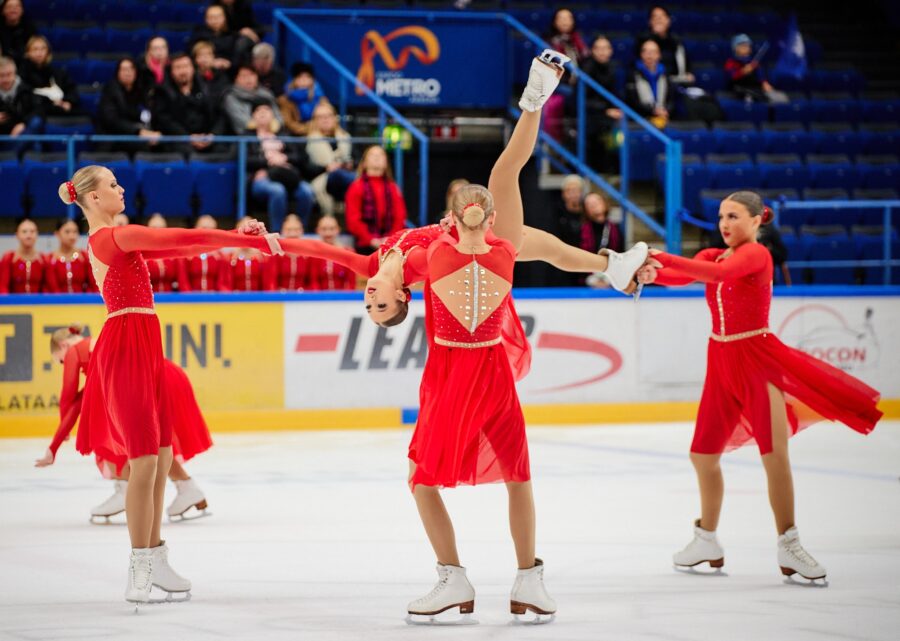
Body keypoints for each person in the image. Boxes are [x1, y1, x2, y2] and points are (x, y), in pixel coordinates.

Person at [55, 164, 278, 605]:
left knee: (160, 454)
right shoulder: (109, 238)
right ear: (93, 198)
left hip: (145, 345)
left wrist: (236, 239)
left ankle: (155, 556)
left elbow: (184, 249)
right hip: (125, 350)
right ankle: (139, 565)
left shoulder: (117, 239)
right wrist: (239, 239)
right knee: (142, 460)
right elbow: (177, 238)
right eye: (113, 185)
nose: (121, 189)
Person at [637, 190, 882, 583]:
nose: (725, 224)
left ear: (756, 221)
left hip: (756, 360)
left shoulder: (756, 255)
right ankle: (706, 539)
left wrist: (658, 256)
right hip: (720, 362)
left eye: (734, 216)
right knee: (702, 455)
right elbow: (684, 275)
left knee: (774, 454)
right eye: (721, 217)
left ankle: (789, 543)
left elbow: (716, 277)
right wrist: (648, 272)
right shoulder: (712, 255)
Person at [35, 325, 212, 523]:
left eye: (61, 360)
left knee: (101, 430)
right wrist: (56, 444)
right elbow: (81, 400)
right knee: (152, 444)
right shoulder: (98, 346)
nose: (64, 363)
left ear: (63, 344)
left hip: (147, 381)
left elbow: (69, 399)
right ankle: (187, 488)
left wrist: (56, 442)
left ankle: (125, 488)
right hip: (166, 374)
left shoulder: (75, 352)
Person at [246, 103, 314, 232]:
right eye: (258, 110)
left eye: (266, 110)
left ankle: (300, 230)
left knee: (307, 191)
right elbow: (245, 160)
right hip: (262, 177)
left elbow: (298, 157)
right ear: (253, 116)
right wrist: (268, 160)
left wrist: (284, 158)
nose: (262, 113)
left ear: (273, 115)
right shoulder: (247, 136)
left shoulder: (282, 134)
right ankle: (277, 232)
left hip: (286, 175)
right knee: (278, 190)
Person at [152, 51, 223, 155]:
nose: (183, 71)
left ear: (193, 69)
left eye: (186, 66)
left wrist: (213, 135)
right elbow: (164, 120)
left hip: (207, 139)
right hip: (177, 141)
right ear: (171, 71)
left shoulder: (207, 88)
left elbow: (220, 115)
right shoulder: (162, 92)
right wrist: (187, 137)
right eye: (178, 67)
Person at [344, 145, 408, 254]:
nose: (377, 157)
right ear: (364, 163)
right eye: (373, 155)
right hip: (364, 245)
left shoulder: (393, 188)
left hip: (391, 245)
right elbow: (353, 219)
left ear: (386, 163)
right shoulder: (356, 187)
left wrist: (390, 238)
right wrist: (371, 240)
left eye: (381, 155)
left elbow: (400, 217)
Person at [542, 8, 588, 141]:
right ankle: (568, 129)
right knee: (571, 94)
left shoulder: (577, 40)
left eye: (568, 18)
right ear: (554, 22)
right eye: (561, 18)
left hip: (577, 83)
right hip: (557, 83)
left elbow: (585, 60)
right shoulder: (548, 41)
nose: (564, 21)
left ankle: (576, 130)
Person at [96, 58, 160, 152]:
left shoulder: (140, 90)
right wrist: (138, 131)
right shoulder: (110, 90)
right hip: (115, 138)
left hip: (138, 134)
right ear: (118, 72)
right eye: (124, 69)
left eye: (131, 69)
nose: (128, 73)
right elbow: (111, 120)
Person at [305, 101, 355, 217]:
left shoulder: (345, 137)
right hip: (322, 178)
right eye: (320, 117)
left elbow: (357, 159)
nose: (325, 119)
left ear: (334, 118)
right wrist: (326, 167)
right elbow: (305, 167)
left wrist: (350, 164)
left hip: (343, 178)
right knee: (343, 176)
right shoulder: (308, 140)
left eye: (328, 116)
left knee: (344, 178)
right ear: (315, 120)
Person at [581, 35, 623, 170]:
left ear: (611, 50)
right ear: (592, 50)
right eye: (598, 48)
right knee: (607, 131)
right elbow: (582, 100)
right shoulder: (586, 69)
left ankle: (615, 169)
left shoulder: (614, 68)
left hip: (611, 113)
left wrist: (616, 109)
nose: (602, 52)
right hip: (592, 115)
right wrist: (605, 110)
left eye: (605, 48)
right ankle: (603, 170)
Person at [20, 35, 80, 117]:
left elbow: (72, 91)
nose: (39, 53)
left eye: (43, 49)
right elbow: (26, 97)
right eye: (35, 49)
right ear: (28, 53)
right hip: (37, 113)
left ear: (48, 52)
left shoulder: (58, 73)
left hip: (61, 110)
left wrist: (68, 102)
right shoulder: (23, 74)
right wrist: (51, 102)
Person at [724, 34, 789, 104]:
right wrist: (742, 71)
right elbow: (731, 76)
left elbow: (761, 76)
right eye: (743, 46)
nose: (747, 48)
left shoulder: (753, 63)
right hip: (740, 91)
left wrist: (764, 83)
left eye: (748, 46)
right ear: (736, 48)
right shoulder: (731, 62)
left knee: (781, 98)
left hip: (758, 90)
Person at [637, 6, 693, 86]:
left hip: (674, 83)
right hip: (648, 82)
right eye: (655, 17)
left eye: (661, 16)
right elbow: (636, 64)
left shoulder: (676, 41)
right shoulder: (642, 40)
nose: (658, 20)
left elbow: (686, 65)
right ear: (650, 21)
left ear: (668, 20)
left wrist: (688, 74)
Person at [626, 39, 674, 128]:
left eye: (653, 52)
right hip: (641, 119)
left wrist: (666, 110)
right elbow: (633, 101)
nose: (649, 55)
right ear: (641, 54)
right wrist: (653, 111)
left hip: (664, 117)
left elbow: (671, 98)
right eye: (646, 52)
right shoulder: (633, 75)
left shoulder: (666, 75)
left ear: (659, 55)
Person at [190, 4, 254, 71]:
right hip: (204, 71)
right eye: (211, 17)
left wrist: (230, 63)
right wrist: (212, 62)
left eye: (218, 17)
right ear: (206, 19)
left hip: (231, 70)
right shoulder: (198, 36)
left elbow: (238, 58)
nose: (214, 20)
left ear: (224, 18)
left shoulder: (233, 36)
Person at [222, 65, 281, 135]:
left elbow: (278, 117)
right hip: (244, 137)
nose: (249, 79)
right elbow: (242, 121)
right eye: (244, 76)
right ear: (235, 79)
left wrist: (273, 128)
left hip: (272, 134)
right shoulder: (231, 97)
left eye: (252, 75)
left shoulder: (267, 94)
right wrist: (262, 127)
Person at [43, 218, 96, 293]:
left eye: (75, 232)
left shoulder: (85, 257)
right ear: (57, 234)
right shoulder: (50, 259)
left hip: (83, 302)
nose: (72, 236)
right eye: (67, 232)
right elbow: (52, 288)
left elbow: (93, 285)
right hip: (56, 303)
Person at [179, 215, 230, 292]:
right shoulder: (186, 256)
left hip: (214, 299)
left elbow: (222, 284)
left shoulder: (221, 257)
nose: (207, 233)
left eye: (211, 229)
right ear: (196, 229)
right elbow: (183, 282)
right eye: (204, 228)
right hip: (190, 300)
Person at [304, 215, 355, 291]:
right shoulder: (313, 254)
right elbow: (313, 281)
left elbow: (350, 282)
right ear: (318, 230)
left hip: (344, 300)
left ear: (338, 230)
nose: (328, 233)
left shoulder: (348, 253)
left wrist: (343, 299)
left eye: (332, 229)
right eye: (324, 229)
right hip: (319, 300)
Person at [277, 62, 327, 136]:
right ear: (293, 80)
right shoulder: (285, 100)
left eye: (308, 77)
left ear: (312, 80)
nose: (304, 80)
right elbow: (288, 123)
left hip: (318, 134)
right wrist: (308, 129)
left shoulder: (320, 98)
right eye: (300, 77)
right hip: (295, 137)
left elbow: (329, 117)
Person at [0, 55, 41, 143]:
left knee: (35, 122)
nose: (5, 79)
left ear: (15, 74)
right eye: (1, 75)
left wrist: (24, 124)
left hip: (22, 135)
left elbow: (38, 111)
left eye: (9, 74)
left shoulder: (26, 90)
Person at [0, 216, 46, 293]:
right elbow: (3, 286)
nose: (28, 235)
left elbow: (48, 288)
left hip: (39, 303)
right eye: (24, 231)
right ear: (17, 235)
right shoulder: (8, 258)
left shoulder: (43, 259)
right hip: (13, 303)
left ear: (37, 234)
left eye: (32, 231)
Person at [145, 213, 189, 293]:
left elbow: (182, 282)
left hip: (169, 302)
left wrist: (189, 301)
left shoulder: (174, 253)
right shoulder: (141, 254)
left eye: (161, 228)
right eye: (154, 228)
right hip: (147, 301)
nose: (158, 231)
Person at [264, 213, 307, 291]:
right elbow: (270, 282)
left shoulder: (308, 257)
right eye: (289, 230)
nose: (292, 233)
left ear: (302, 231)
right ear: (282, 231)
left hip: (304, 300)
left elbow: (313, 282)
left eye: (296, 230)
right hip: (280, 299)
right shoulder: (274, 256)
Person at [192, 40, 231, 105]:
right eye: (201, 55)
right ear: (195, 59)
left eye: (208, 54)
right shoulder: (193, 77)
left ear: (213, 57)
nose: (205, 58)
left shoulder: (221, 74)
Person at [136, 36, 170, 100]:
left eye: (163, 47)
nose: (160, 51)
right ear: (149, 51)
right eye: (156, 48)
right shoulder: (142, 69)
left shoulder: (173, 68)